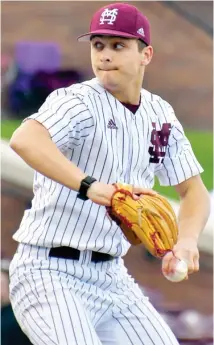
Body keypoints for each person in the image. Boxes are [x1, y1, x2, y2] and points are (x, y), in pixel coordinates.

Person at [9, 3, 210, 345]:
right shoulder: (77, 101)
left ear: (146, 54)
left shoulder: (160, 114)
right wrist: (89, 186)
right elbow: (25, 139)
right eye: (98, 45)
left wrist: (187, 240)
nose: (104, 55)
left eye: (118, 45)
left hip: (111, 275)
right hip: (48, 271)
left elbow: (194, 192)